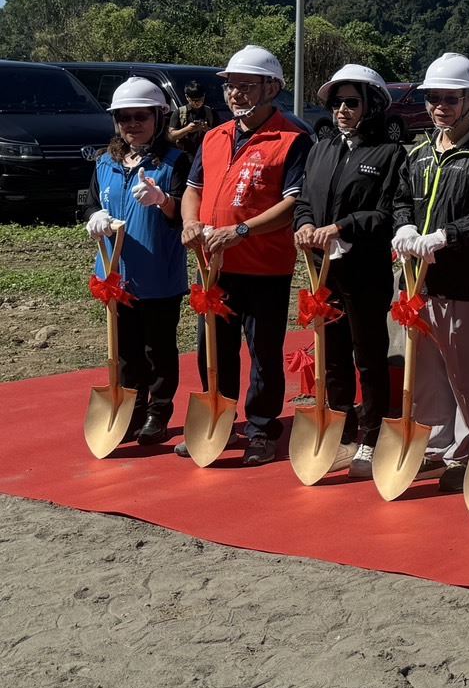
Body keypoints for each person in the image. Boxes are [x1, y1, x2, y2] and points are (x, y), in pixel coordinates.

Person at [178, 46, 310, 466]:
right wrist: (190, 223)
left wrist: (242, 230)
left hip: (264, 266)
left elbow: (293, 204)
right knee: (212, 348)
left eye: (245, 85)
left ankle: (262, 427)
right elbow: (193, 189)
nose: (234, 94)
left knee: (264, 350)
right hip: (214, 266)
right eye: (231, 85)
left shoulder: (293, 138)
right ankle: (220, 419)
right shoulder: (215, 136)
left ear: (272, 87)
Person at [391, 52, 469, 494]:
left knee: (466, 374)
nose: (441, 106)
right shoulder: (419, 152)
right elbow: (401, 199)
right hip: (418, 283)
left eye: (451, 98)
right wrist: (403, 225)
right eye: (434, 98)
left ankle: (468, 451)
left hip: (465, 281)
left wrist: (445, 236)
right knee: (424, 372)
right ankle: (436, 444)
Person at [293, 64, 407, 480]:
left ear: (371, 105)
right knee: (333, 354)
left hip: (364, 271)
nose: (341, 109)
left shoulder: (389, 154)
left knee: (368, 356)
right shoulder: (321, 148)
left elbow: (388, 214)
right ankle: (341, 428)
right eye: (336, 102)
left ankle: (373, 434)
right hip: (322, 271)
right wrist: (304, 223)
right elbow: (305, 198)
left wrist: (344, 227)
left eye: (351, 102)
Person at [84, 77, 190, 444]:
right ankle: (130, 409)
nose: (132, 124)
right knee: (124, 350)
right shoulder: (104, 161)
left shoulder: (175, 161)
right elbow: (90, 201)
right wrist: (94, 215)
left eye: (140, 116)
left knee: (157, 348)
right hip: (115, 274)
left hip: (158, 274)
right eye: (124, 117)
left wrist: (163, 200)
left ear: (159, 117)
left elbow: (184, 214)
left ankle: (158, 412)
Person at [167, 80, 216, 160]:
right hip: (184, 157)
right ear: (187, 97)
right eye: (193, 100)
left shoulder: (211, 112)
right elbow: (171, 136)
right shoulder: (179, 113)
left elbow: (218, 136)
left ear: (204, 96)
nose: (197, 103)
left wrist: (207, 129)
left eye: (200, 99)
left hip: (205, 154)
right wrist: (187, 129)